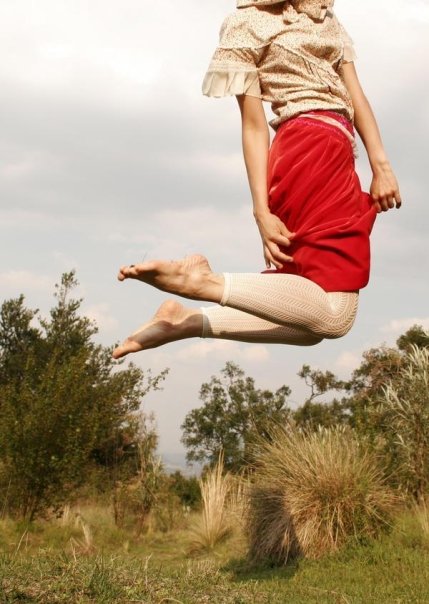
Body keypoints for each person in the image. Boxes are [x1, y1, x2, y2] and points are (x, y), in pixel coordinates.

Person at [112, 0, 401, 360]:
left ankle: (186, 322)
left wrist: (381, 166)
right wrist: (260, 211)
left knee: (309, 321)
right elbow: (252, 125)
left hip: (336, 154)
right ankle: (202, 283)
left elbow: (356, 95)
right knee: (335, 318)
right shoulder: (245, 23)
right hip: (307, 151)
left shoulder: (324, 14)